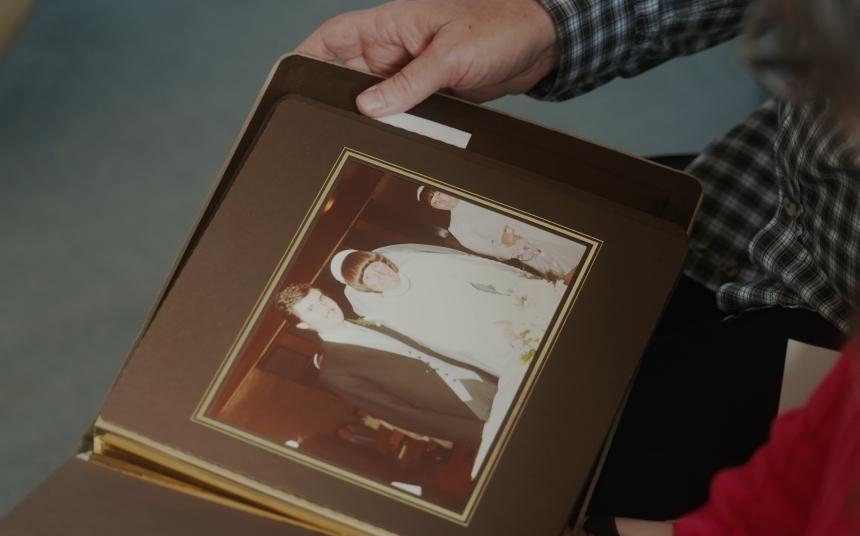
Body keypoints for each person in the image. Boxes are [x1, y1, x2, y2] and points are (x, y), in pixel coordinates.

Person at [298, 0, 860, 526]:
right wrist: (551, 24)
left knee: (603, 483)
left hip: (825, 332)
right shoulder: (362, 337)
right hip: (745, 196)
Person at [275, 283, 498, 452]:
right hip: (462, 410)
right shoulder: (335, 373)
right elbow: (401, 414)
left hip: (484, 378)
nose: (325, 307)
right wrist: (477, 433)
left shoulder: (369, 320)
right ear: (303, 325)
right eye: (311, 309)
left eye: (321, 298)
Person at [329, 244, 566, 378]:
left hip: (514, 313)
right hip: (492, 346)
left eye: (375, 266)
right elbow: (448, 344)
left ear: (383, 260)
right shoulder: (393, 315)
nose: (380, 276)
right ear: (364, 287)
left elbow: (485, 275)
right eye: (369, 277)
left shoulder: (424, 266)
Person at [418, 186, 586, 282]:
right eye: (435, 202)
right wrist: (507, 243)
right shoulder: (457, 227)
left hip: (541, 226)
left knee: (580, 249)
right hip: (525, 247)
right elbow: (491, 250)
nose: (442, 201)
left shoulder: (474, 188)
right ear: (435, 208)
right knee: (569, 271)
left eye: (439, 194)